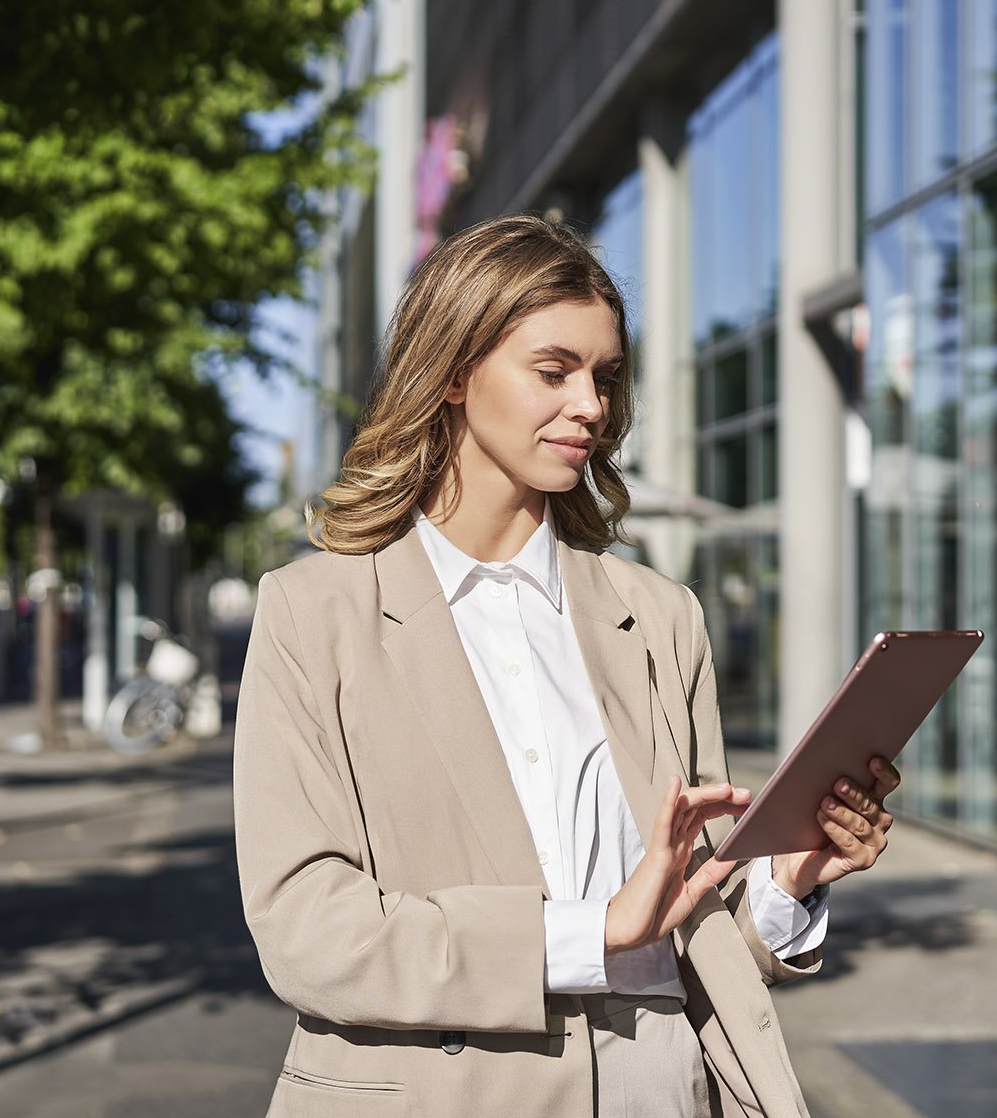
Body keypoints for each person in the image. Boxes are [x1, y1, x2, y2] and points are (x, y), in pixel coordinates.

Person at [234, 214, 900, 1117]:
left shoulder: (663, 619)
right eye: (554, 371)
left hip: (654, 1089)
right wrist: (588, 934)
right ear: (455, 373)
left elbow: (692, 930)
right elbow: (308, 929)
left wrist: (790, 881)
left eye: (604, 376)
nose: (591, 404)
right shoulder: (315, 614)